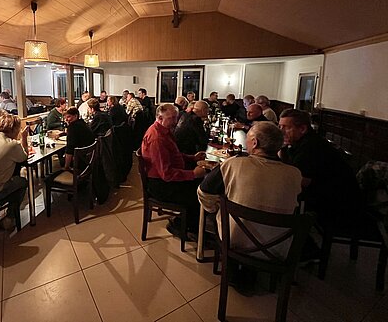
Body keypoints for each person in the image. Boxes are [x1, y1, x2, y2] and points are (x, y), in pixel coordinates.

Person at [198, 122, 302, 291]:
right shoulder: (295, 174)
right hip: (277, 248)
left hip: (234, 241)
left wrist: (215, 208)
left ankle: (233, 267)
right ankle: (250, 271)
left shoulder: (233, 164)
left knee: (219, 218)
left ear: (255, 143)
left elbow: (204, 192)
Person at [278, 109, 360, 225]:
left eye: (286, 127)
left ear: (302, 129)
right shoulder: (298, 142)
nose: (281, 131)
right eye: (280, 126)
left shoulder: (311, 146)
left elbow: (300, 180)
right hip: (325, 194)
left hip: (338, 204)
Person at [141, 103, 207, 235]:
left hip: (165, 178)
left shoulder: (164, 130)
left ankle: (190, 221)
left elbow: (174, 154)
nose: (175, 121)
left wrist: (192, 158)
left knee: (202, 184)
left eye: (176, 117)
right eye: (171, 118)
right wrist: (193, 174)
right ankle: (183, 227)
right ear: (160, 118)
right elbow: (166, 174)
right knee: (199, 193)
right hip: (160, 185)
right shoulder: (157, 138)